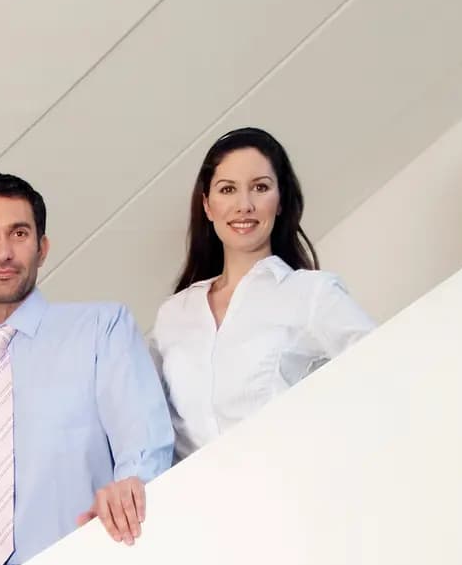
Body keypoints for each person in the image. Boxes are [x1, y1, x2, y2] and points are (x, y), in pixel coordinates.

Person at [0, 170, 173, 565]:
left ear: (42, 248)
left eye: (19, 234)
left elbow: (144, 447)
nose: (3, 252)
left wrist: (130, 497)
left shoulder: (101, 329)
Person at [151, 126, 374, 459]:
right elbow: (146, 426)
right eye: (227, 189)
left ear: (280, 200)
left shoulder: (312, 294)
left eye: (260, 187)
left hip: (287, 491)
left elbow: (382, 367)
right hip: (196, 504)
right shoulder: (173, 315)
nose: (244, 205)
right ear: (208, 206)